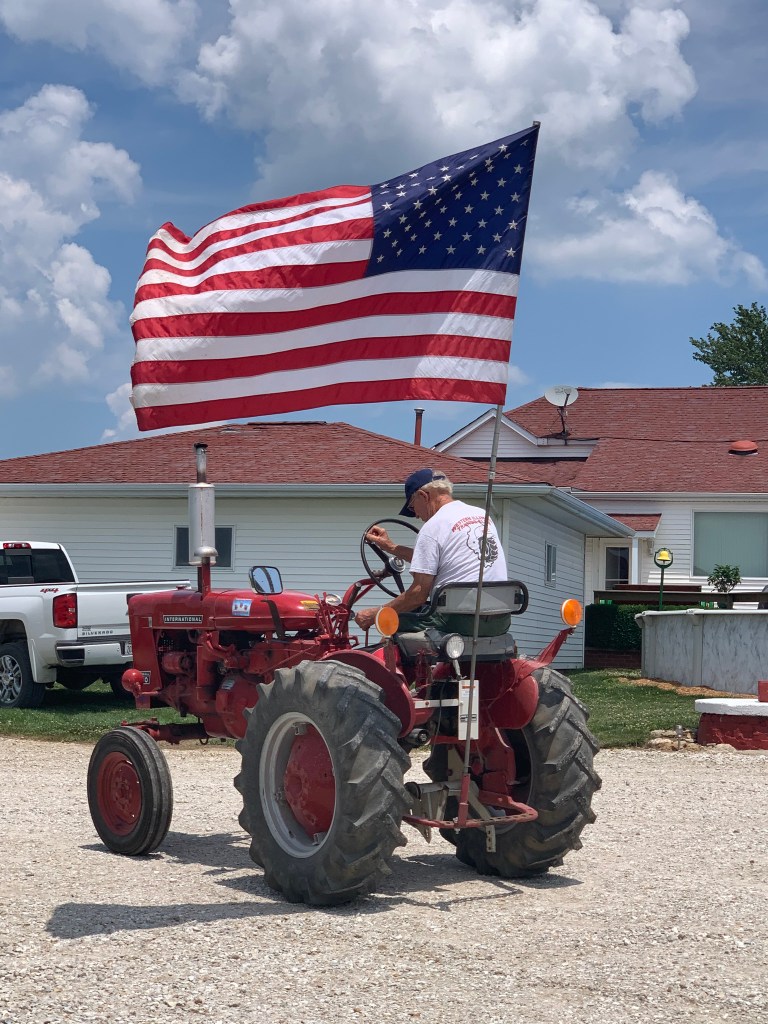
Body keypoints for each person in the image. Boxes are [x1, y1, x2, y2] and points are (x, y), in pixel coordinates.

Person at [354, 468, 509, 636]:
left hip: (459, 621)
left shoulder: (433, 526)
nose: (416, 516)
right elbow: (442, 561)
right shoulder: (482, 515)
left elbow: (418, 595)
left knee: (391, 621)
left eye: (412, 508)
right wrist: (390, 547)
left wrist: (375, 613)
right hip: (500, 619)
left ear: (423, 496)